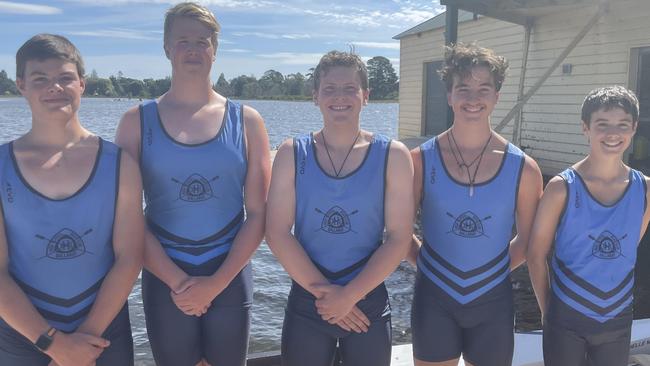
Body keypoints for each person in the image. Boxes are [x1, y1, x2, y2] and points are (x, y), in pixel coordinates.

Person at [115, 2, 270, 366]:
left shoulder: (247, 121)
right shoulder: (135, 122)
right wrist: (177, 282)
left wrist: (216, 282)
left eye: (202, 41)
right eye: (183, 41)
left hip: (229, 275)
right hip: (164, 274)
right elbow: (126, 217)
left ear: (215, 49)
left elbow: (259, 213)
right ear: (167, 48)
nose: (193, 49)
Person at [0, 34, 143, 366]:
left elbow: (130, 257)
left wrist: (82, 345)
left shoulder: (121, 163)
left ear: (82, 83)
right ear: (21, 85)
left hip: (103, 332)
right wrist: (54, 345)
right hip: (24, 336)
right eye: (40, 79)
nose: (55, 87)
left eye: (65, 78)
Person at [265, 50, 414, 366]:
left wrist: (349, 296)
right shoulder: (292, 153)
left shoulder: (394, 156)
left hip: (367, 300)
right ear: (315, 96)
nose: (340, 97)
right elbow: (277, 232)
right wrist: (327, 296)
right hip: (309, 301)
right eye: (329, 89)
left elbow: (399, 238)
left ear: (366, 96)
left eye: (350, 88)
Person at [408, 43, 543, 366]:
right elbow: (398, 234)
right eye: (463, 88)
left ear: (497, 96)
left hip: (493, 303)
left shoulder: (523, 168)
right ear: (450, 95)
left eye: (484, 89)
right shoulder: (419, 161)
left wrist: (487, 274)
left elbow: (528, 242)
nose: (473, 98)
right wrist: (432, 269)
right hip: (433, 299)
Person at [527, 86, 650, 366]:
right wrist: (549, 312)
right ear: (586, 128)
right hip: (566, 317)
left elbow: (630, 247)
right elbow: (535, 255)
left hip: (617, 318)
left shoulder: (644, 189)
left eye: (622, 125)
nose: (612, 134)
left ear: (633, 129)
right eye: (602, 125)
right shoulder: (562, 187)